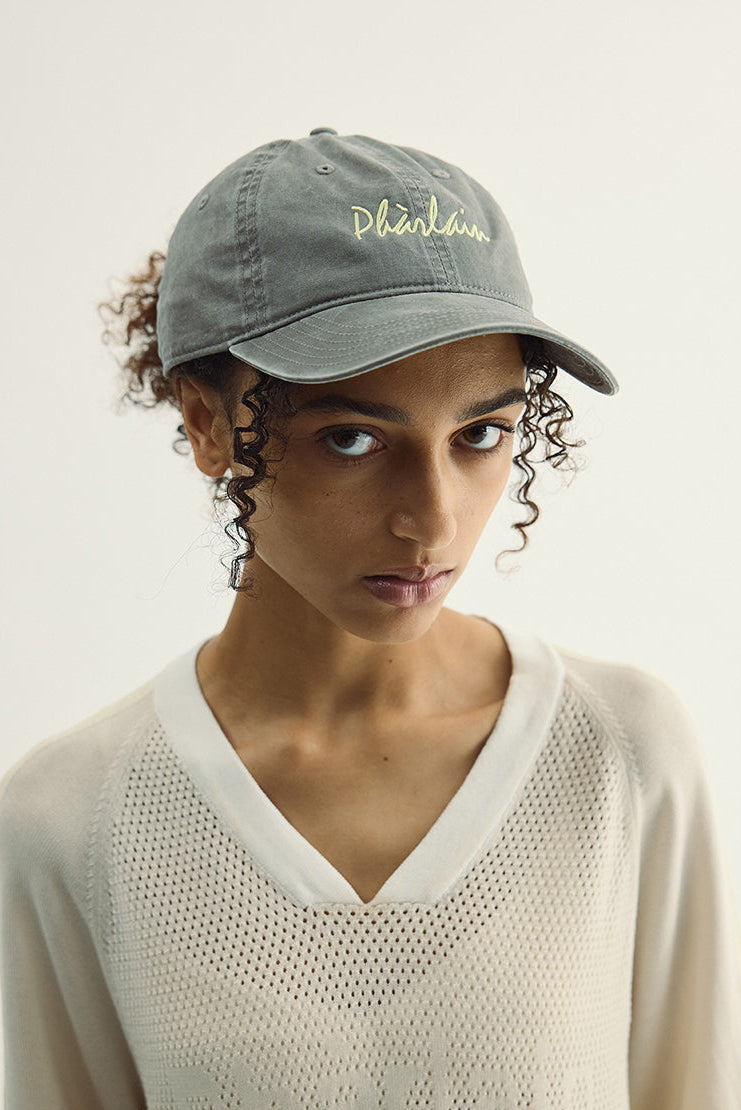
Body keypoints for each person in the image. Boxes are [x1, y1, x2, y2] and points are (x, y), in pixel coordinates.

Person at [1, 128, 739, 1109]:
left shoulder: (618, 758)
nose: (432, 521)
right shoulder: (72, 820)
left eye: (481, 434)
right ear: (207, 423)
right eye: (351, 438)